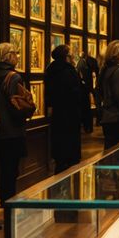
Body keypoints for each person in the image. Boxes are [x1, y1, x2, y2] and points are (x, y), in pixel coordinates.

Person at [0, 43, 27, 207]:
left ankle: (5, 200)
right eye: (15, 53)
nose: (18, 56)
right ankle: (10, 202)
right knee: (11, 169)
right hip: (13, 128)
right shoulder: (14, 77)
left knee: (4, 167)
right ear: (8, 56)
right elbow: (17, 106)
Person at [45, 44, 91, 174]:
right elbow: (76, 93)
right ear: (66, 57)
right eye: (70, 55)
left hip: (58, 113)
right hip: (70, 114)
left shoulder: (51, 69)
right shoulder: (69, 71)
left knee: (59, 146)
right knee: (70, 149)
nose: (72, 58)